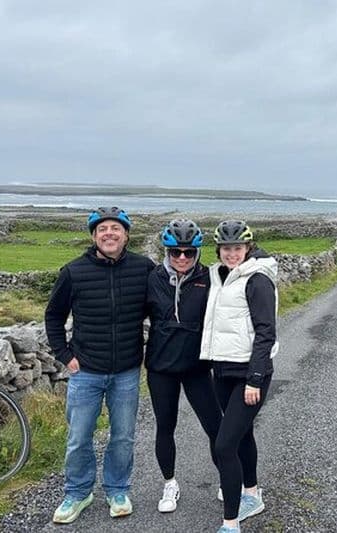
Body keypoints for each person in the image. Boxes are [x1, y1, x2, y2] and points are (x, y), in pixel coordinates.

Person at [45, 206, 155, 524]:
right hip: (86, 371)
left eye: (115, 228)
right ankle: (78, 493)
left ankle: (117, 489)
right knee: (79, 436)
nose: (109, 233)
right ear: (94, 236)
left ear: (126, 235)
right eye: (103, 229)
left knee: (123, 436)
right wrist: (65, 356)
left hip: (127, 371)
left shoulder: (143, 268)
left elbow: (158, 312)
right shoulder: (73, 271)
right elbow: (53, 316)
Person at [200, 220, 278, 533]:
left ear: (248, 248)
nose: (232, 253)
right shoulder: (220, 276)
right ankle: (252, 492)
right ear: (218, 250)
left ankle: (230, 524)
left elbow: (266, 331)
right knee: (243, 434)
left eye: (237, 248)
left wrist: (255, 378)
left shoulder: (257, 279)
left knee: (224, 445)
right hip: (222, 370)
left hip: (249, 373)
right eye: (226, 248)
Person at [145, 219, 223, 513]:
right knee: (165, 427)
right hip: (160, 368)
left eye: (188, 252)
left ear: (197, 253)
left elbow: (246, 269)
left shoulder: (210, 278)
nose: (181, 258)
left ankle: (227, 479)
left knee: (215, 426)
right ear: (166, 252)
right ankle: (170, 484)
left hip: (197, 368)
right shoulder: (152, 277)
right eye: (175, 252)